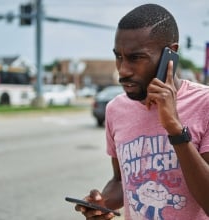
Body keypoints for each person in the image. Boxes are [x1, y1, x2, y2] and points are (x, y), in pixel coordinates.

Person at [75, 3, 209, 220]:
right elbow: (121, 180)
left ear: (170, 53)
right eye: (119, 56)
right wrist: (103, 203)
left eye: (136, 58)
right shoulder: (116, 109)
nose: (123, 71)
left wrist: (174, 128)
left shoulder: (204, 104)